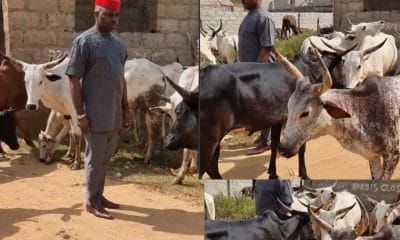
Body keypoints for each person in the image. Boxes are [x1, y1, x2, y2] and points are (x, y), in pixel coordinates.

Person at [67, 0, 131, 219]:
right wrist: (80, 114)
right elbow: (74, 80)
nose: (113, 20)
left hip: (114, 114)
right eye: (108, 15)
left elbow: (121, 80)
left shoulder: (119, 45)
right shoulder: (84, 42)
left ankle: (98, 195)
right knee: (94, 159)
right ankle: (91, 202)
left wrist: (126, 109)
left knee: (104, 159)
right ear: (96, 13)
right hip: (94, 115)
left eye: (116, 16)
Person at [238, 0, 275, 155]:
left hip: (262, 72)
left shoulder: (263, 18)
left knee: (264, 107)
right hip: (249, 71)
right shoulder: (250, 16)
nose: (243, 0)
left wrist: (256, 71)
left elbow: (267, 48)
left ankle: (268, 142)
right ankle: (264, 136)